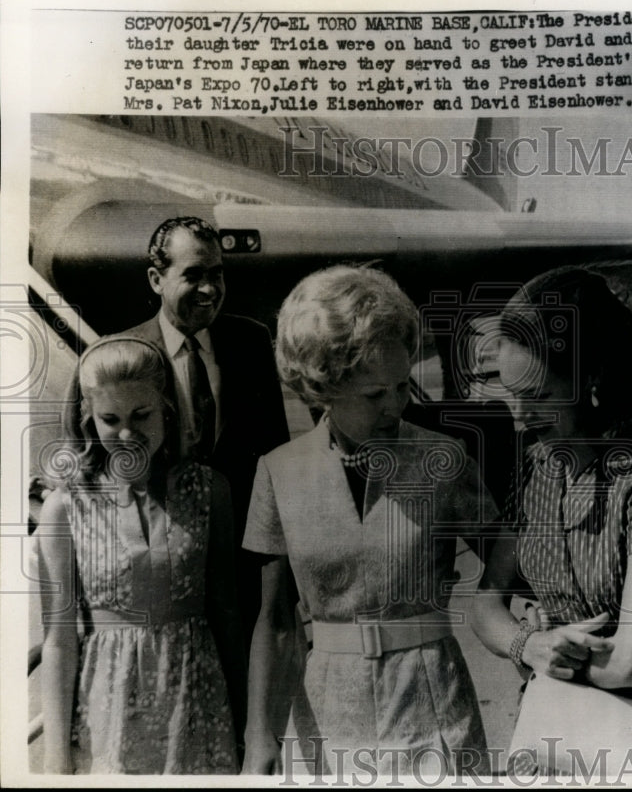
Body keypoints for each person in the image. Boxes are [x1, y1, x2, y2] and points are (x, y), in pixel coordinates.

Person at [241, 266, 492, 777]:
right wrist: (257, 737)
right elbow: (275, 624)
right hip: (328, 710)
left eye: (402, 387)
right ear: (323, 386)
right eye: (375, 394)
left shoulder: (444, 459)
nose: (396, 407)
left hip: (432, 702)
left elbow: (511, 555)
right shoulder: (278, 472)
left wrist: (513, 623)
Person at [471, 267, 632, 778]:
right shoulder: (535, 468)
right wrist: (528, 644)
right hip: (552, 723)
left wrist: (542, 657)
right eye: (509, 394)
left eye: (535, 396)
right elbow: (484, 603)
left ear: (591, 377)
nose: (517, 417)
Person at [36, 335, 243, 773]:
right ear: (89, 420)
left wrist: (247, 721)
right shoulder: (66, 507)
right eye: (111, 419)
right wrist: (56, 758)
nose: (128, 434)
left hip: (198, 704)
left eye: (142, 415)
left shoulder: (209, 490)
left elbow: (226, 612)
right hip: (107, 713)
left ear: (167, 408)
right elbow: (58, 641)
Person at [125, 216, 289, 665]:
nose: (209, 289)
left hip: (242, 565)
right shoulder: (125, 354)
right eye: (193, 275)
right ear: (156, 280)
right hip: (165, 567)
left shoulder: (251, 341)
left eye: (216, 274)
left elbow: (274, 455)